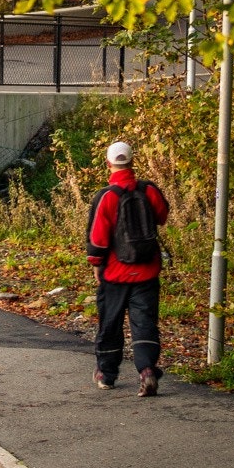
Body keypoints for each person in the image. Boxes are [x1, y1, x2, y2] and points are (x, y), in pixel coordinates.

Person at [86, 138, 170, 395]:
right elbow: (162, 215)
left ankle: (106, 375)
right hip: (146, 272)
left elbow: (97, 237)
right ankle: (146, 371)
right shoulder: (149, 190)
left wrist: (96, 264)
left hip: (115, 273)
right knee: (144, 323)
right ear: (133, 161)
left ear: (108, 163)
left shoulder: (107, 196)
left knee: (110, 323)